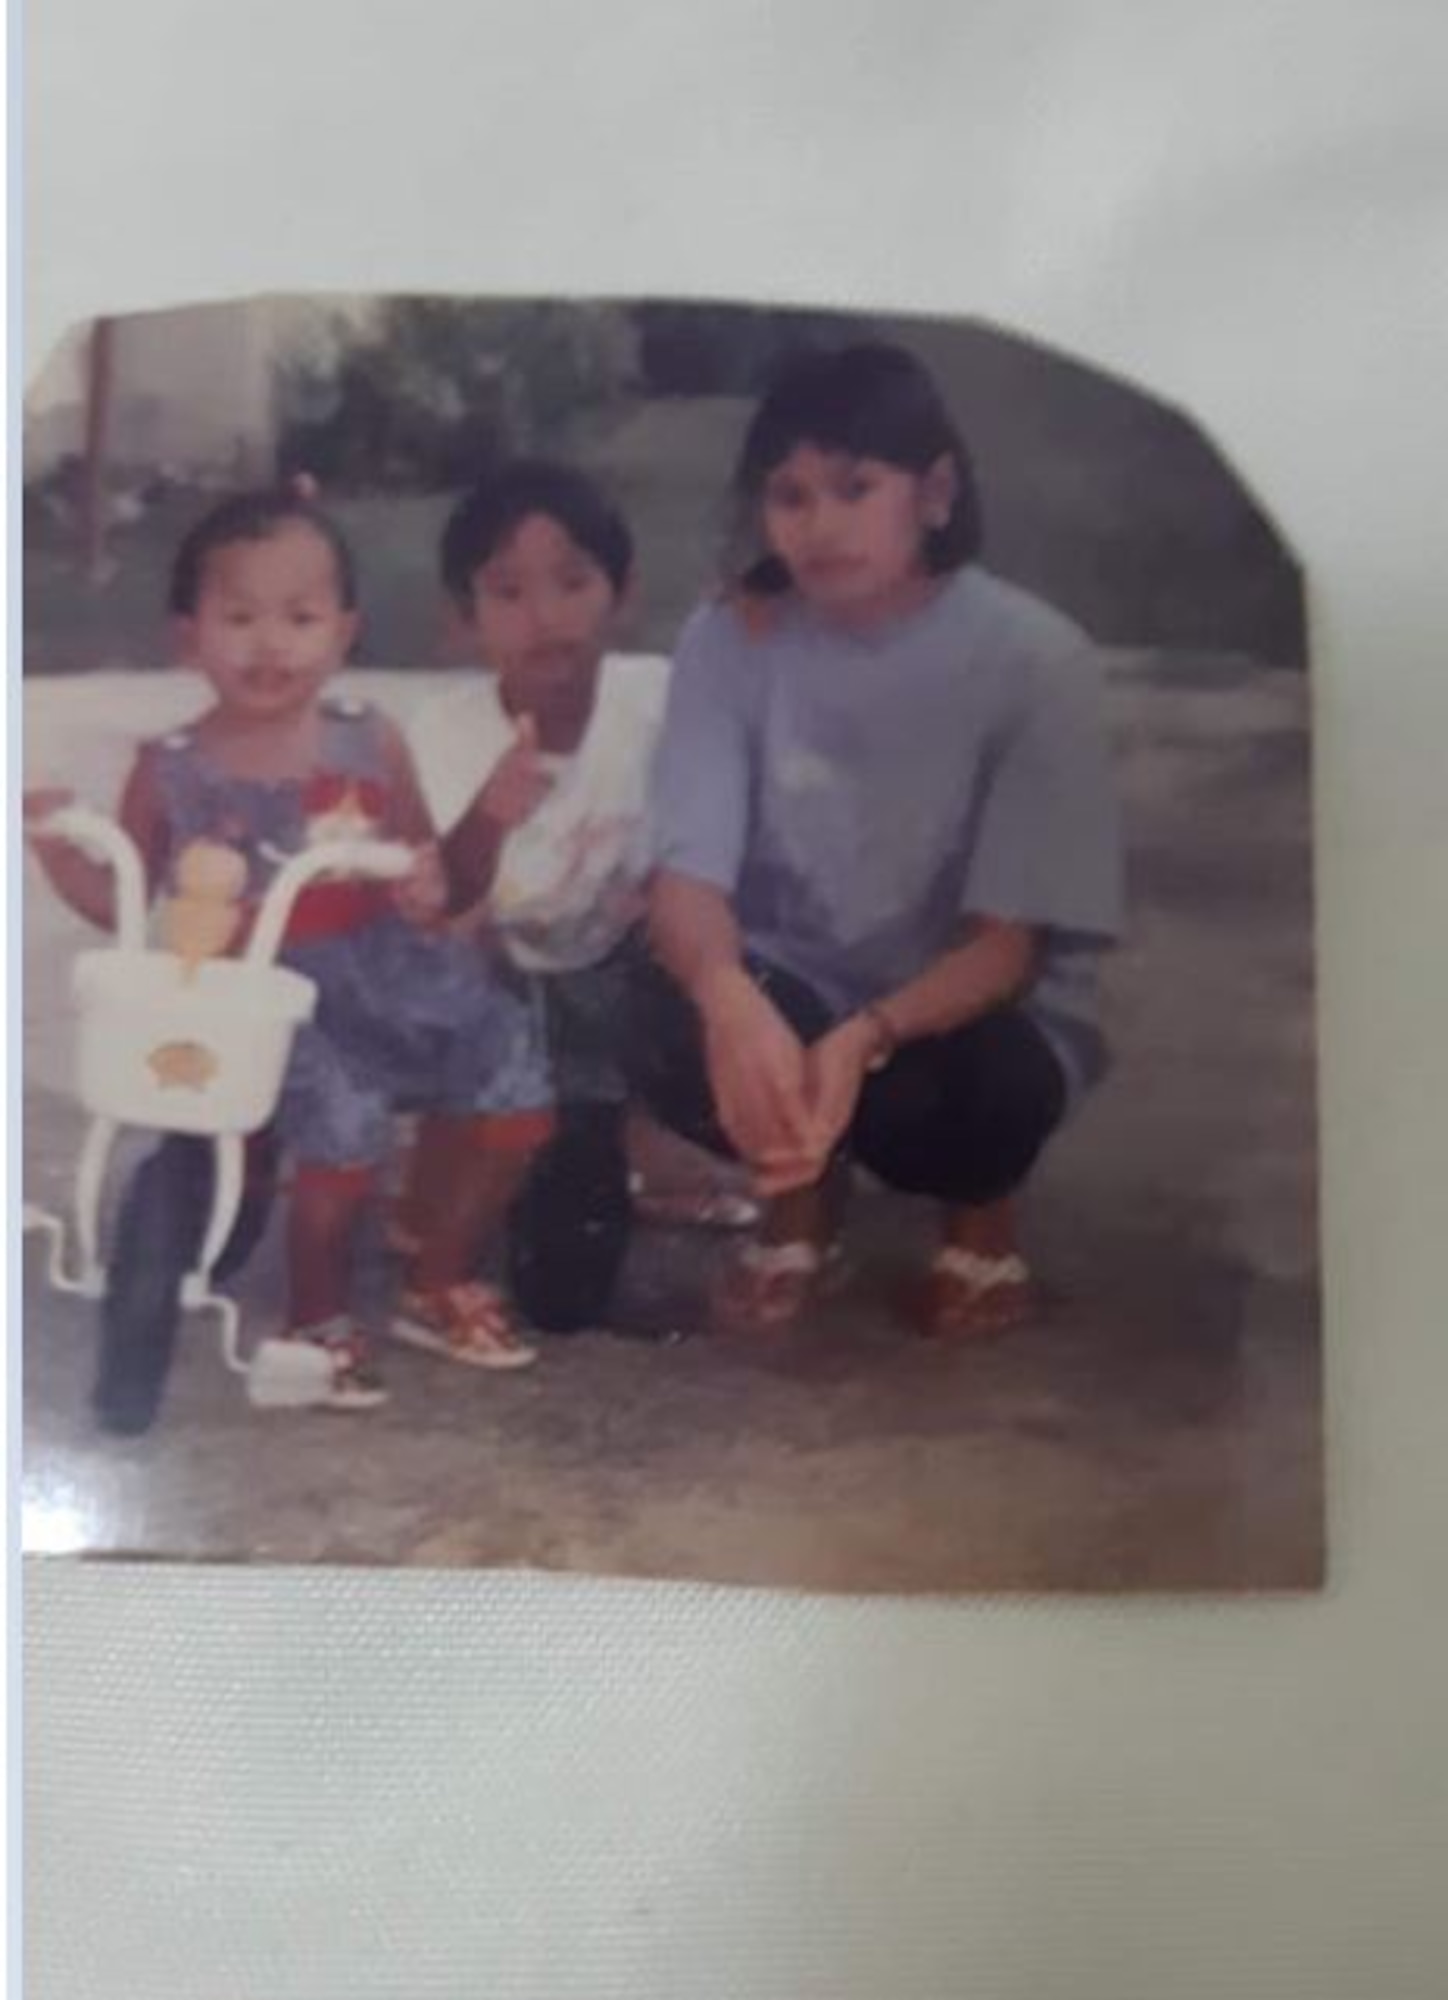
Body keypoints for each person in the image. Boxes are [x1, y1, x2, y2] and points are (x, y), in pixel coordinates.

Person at [636, 342, 1125, 1337]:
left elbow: (1006, 945)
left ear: (934, 490)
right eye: (788, 494)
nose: (817, 524)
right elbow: (686, 878)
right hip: (797, 985)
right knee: (649, 1005)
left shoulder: (1035, 659)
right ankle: (795, 1207)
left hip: (954, 1011)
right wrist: (730, 1003)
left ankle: (980, 1221)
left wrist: (861, 1039)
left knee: (974, 1094)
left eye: (854, 487)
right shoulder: (729, 638)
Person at [25, 484, 551, 1408]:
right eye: (240, 617)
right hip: (259, 986)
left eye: (300, 617)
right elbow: (123, 901)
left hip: (384, 965)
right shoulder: (172, 763)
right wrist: (58, 853)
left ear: (343, 631)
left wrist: (474, 836)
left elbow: (438, 879)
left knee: (512, 1081)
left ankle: (438, 1277)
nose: (271, 643)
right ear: (188, 635)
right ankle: (315, 1316)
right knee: (339, 1128)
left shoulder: (368, 741)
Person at [408, 460, 675, 1332]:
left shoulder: (663, 702)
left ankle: (653, 1141)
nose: (546, 617)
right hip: (513, 1003)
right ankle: (471, 1158)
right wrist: (489, 813)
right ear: (463, 620)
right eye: (508, 591)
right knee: (561, 1296)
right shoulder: (444, 734)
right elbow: (445, 905)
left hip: (628, 989)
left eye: (573, 582)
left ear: (621, 591)